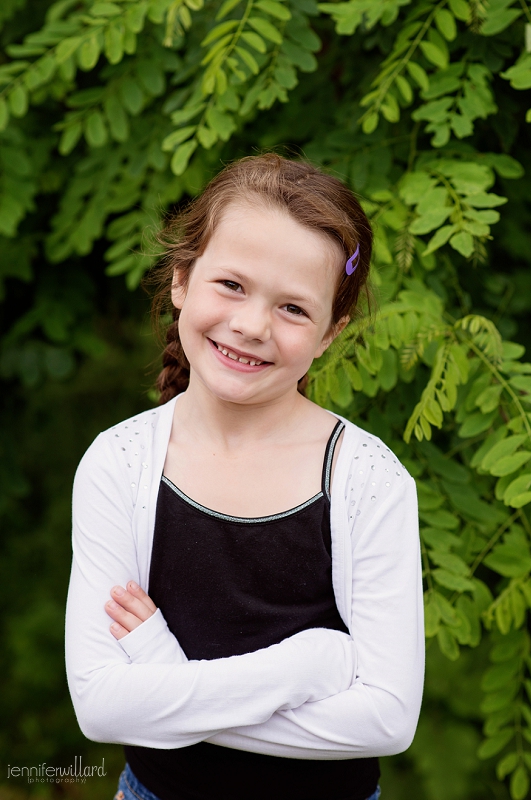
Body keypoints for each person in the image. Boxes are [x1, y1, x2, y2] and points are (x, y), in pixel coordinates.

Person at [65, 153, 425, 800]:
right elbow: (101, 705)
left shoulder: (366, 478)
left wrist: (160, 672)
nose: (251, 325)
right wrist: (308, 666)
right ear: (181, 279)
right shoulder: (120, 462)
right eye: (231, 284)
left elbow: (386, 720)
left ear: (328, 334)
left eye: (292, 307)